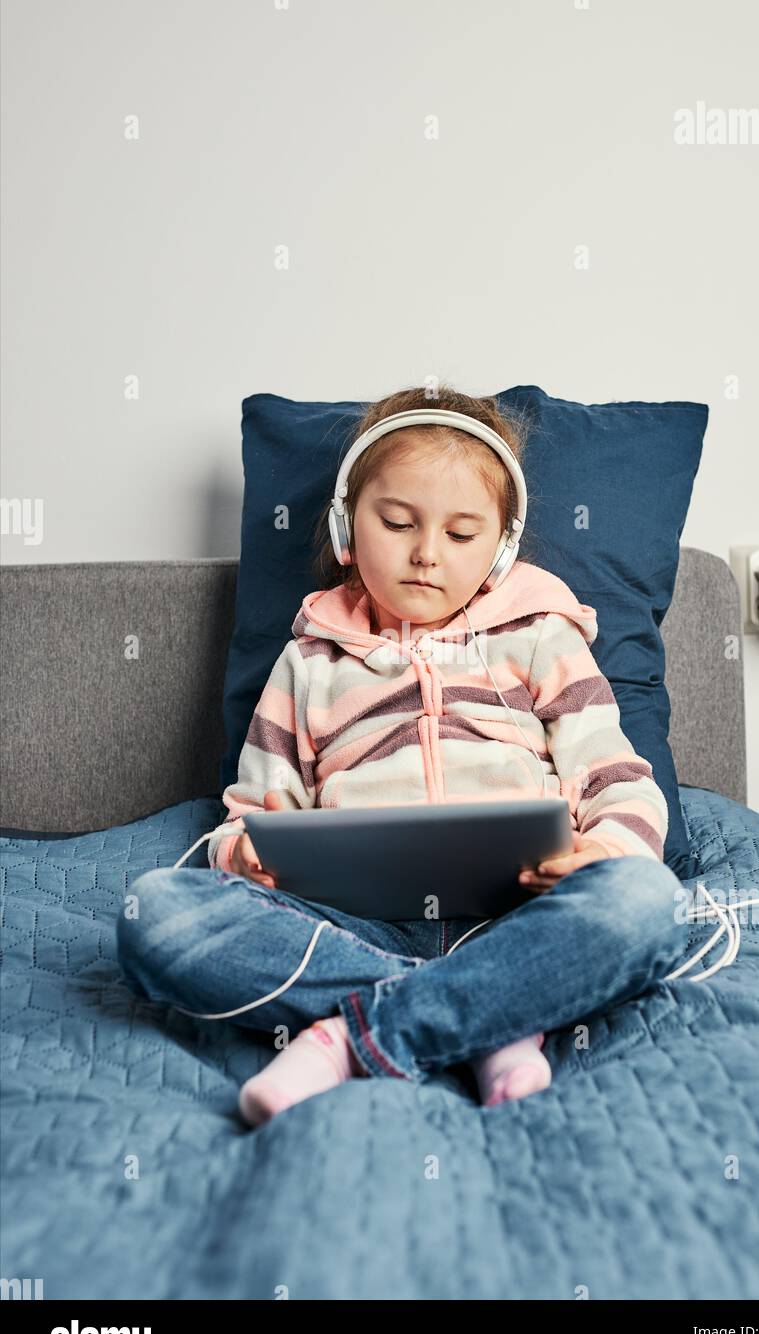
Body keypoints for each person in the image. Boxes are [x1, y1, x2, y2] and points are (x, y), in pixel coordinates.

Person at [116, 384, 689, 1125]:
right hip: (346, 925)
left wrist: (603, 852)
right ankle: (497, 1014)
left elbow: (623, 785)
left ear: (500, 551)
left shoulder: (543, 638)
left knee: (650, 901)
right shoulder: (307, 664)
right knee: (154, 914)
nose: (426, 554)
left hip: (524, 916)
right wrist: (243, 855)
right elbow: (253, 813)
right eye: (397, 522)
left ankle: (345, 1039)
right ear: (347, 526)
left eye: (460, 535)